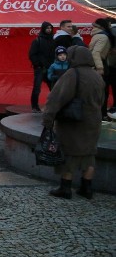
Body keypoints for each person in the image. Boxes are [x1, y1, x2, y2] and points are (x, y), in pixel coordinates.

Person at [42, 45, 105, 199]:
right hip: (93, 120)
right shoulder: (96, 75)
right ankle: (87, 187)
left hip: (73, 121)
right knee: (89, 154)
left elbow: (56, 98)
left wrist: (48, 119)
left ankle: (65, 188)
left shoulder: (72, 74)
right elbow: (101, 100)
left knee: (69, 153)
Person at [88, 17, 114, 121]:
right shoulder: (103, 37)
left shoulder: (96, 35)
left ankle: (98, 114)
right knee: (103, 91)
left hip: (95, 65)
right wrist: (100, 67)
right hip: (100, 64)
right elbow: (96, 53)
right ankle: (102, 114)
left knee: (98, 91)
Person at [28, 21, 55, 112]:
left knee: (54, 88)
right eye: (47, 28)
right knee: (37, 88)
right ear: (43, 29)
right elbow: (32, 54)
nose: (49, 30)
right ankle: (35, 106)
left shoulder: (53, 40)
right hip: (40, 68)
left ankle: (53, 105)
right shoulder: (37, 40)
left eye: (50, 28)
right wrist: (38, 64)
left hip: (50, 68)